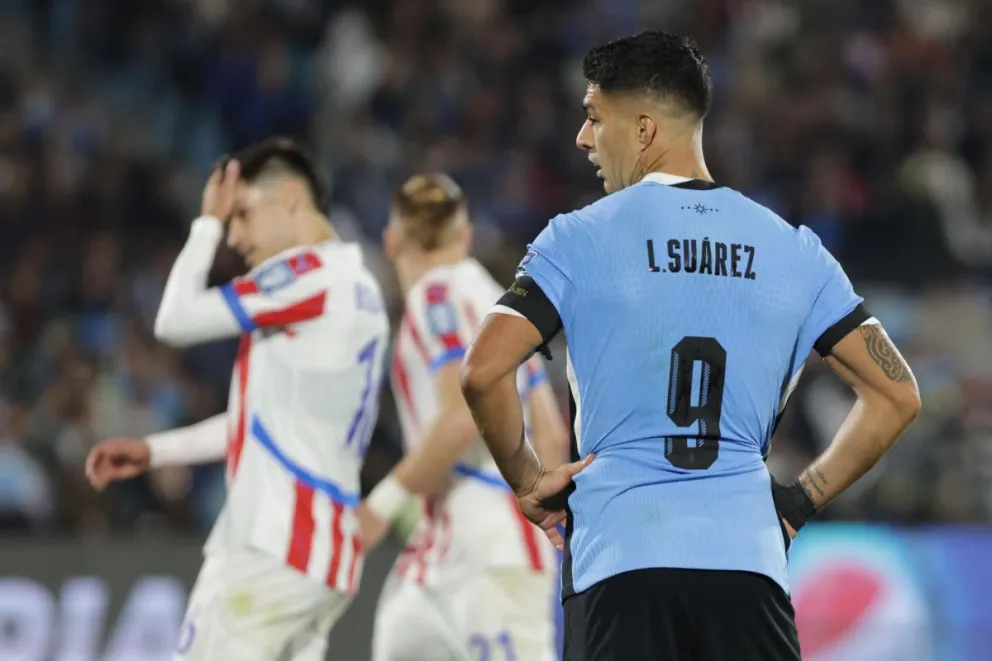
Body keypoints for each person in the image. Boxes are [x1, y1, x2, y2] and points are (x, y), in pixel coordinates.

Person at [459, 31, 922, 661]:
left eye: (596, 117)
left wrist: (527, 479)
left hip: (619, 561)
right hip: (746, 566)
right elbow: (896, 395)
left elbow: (483, 371)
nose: (583, 139)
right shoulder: (794, 249)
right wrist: (798, 500)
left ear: (644, 129)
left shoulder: (577, 239)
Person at [84, 138, 390, 661]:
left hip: (272, 549)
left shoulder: (309, 274)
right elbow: (262, 418)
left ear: (290, 197)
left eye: (243, 212)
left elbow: (173, 319)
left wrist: (204, 222)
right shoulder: (357, 287)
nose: (235, 233)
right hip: (319, 556)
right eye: (228, 219)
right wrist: (157, 452)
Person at [360, 174, 567, 661]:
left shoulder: (434, 296)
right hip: (470, 546)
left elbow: (461, 416)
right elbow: (553, 435)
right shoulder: (506, 306)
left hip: (476, 544)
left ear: (392, 242)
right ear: (465, 234)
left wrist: (380, 504)